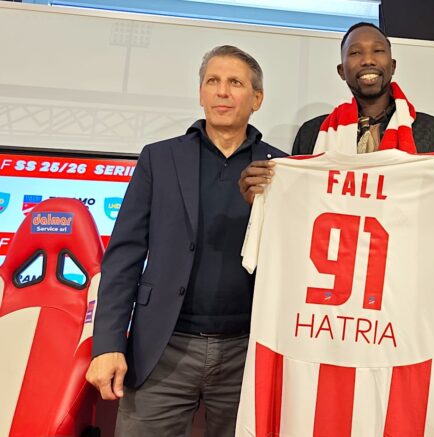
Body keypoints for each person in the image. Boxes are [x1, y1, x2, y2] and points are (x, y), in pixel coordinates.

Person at [237, 22, 434, 347]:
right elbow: (296, 222)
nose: (367, 59)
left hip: (411, 303)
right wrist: (263, 200)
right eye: (355, 53)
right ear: (342, 71)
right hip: (332, 309)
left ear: (392, 65)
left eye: (377, 51)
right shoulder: (313, 134)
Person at [85, 45, 285, 436]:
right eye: (213, 81)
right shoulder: (159, 159)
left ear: (257, 99)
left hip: (248, 351)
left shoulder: (281, 168)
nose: (222, 91)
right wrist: (107, 342)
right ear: (200, 93)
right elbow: (123, 256)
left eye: (235, 82)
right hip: (162, 347)